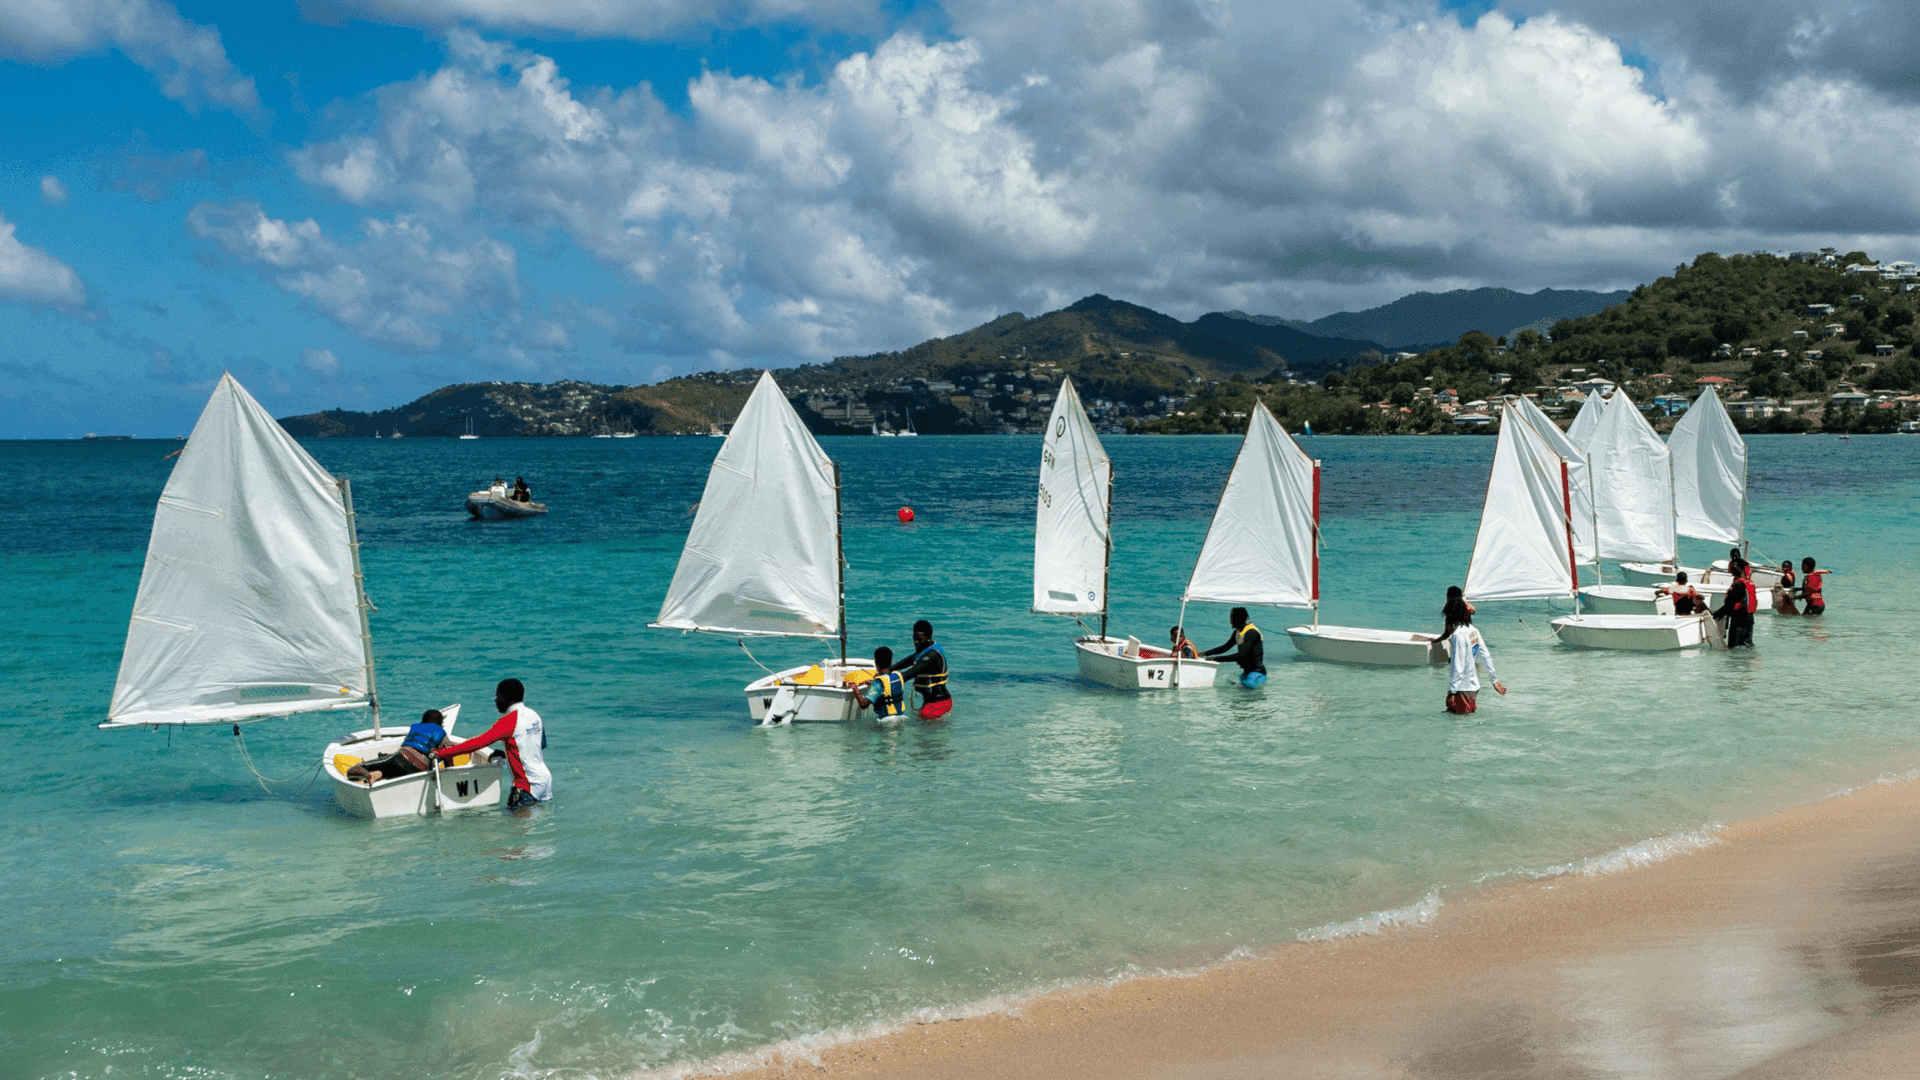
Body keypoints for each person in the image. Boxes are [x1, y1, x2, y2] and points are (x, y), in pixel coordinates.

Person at [435, 679, 550, 809]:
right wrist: (509, 754)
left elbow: (478, 743)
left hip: (527, 784)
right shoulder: (535, 716)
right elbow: (539, 745)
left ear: (507, 697)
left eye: (498, 696)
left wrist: (442, 753)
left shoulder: (509, 721)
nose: (495, 700)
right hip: (544, 780)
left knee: (516, 828)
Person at [346, 708, 448, 785]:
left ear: (423, 721)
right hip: (422, 767)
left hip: (405, 756)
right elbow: (449, 748)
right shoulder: (441, 733)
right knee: (391, 769)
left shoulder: (416, 728)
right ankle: (377, 775)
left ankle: (367, 775)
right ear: (440, 724)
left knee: (354, 769)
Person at [1444, 607, 1506, 714]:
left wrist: (1452, 691)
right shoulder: (1473, 631)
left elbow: (1458, 666)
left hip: (1462, 689)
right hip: (1473, 687)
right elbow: (1485, 655)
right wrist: (1494, 680)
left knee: (1457, 726)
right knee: (1467, 723)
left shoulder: (1458, 635)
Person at [890, 621, 952, 720]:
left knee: (923, 734)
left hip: (939, 704)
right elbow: (908, 660)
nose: (915, 642)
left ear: (928, 638)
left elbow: (908, 674)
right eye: (914, 638)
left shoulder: (932, 655)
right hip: (930, 702)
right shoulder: (924, 650)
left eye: (919, 639)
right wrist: (887, 669)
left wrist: (882, 680)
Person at [1203, 607, 1267, 688]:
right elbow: (1225, 648)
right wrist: (1204, 653)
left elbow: (1241, 655)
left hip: (1257, 674)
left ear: (1237, 619)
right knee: (1238, 692)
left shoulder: (1251, 633)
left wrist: (1216, 659)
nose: (1230, 621)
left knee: (1246, 696)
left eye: (1231, 618)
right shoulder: (1237, 632)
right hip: (1246, 673)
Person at [849, 647, 909, 721]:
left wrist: (855, 688)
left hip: (886, 721)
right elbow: (887, 685)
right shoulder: (898, 676)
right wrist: (873, 681)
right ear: (891, 662)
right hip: (902, 717)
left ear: (876, 663)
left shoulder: (878, 683)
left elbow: (863, 705)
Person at [1713, 559, 1758, 647]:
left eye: (1732, 568)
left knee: (1734, 647)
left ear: (1738, 569)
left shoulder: (1739, 585)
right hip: (1748, 619)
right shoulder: (1747, 582)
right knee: (1746, 644)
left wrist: (1716, 615)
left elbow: (1730, 604)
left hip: (1739, 621)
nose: (1730, 571)